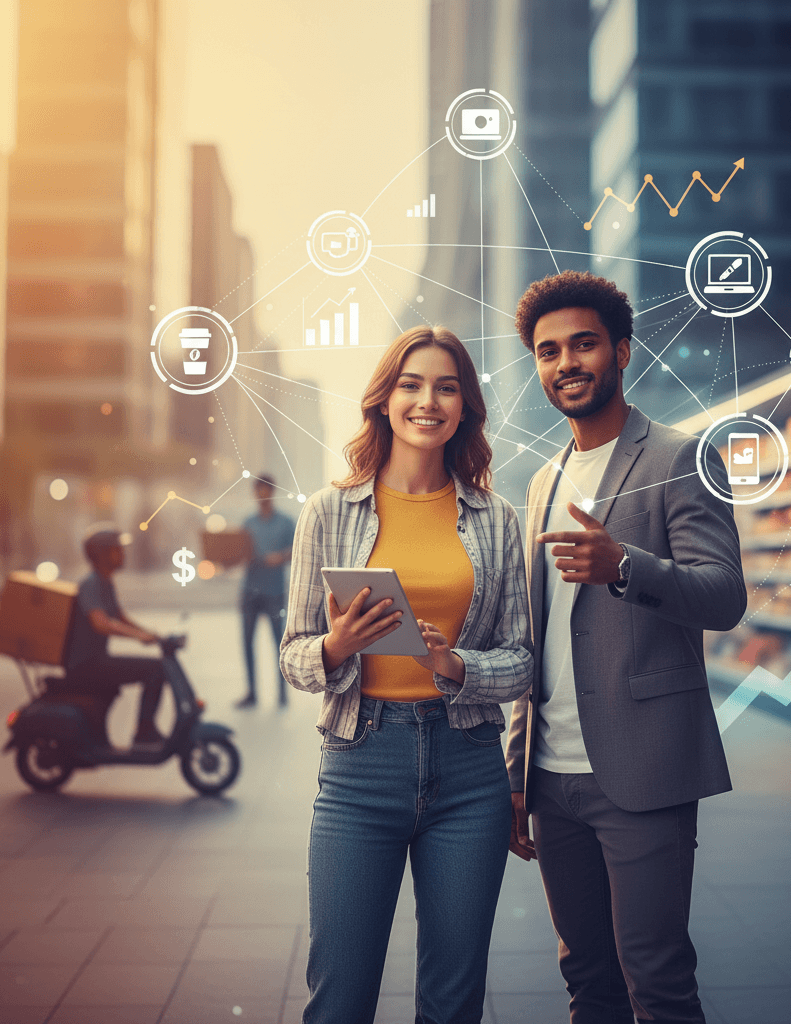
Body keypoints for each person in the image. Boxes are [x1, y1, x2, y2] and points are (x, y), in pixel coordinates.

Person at [505, 270, 746, 1024]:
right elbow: (534, 639)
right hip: (552, 778)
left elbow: (725, 595)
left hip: (643, 771)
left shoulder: (677, 457)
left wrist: (626, 568)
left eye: (583, 344)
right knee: (587, 982)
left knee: (659, 981)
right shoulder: (541, 481)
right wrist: (516, 772)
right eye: (549, 351)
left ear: (622, 352)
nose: (566, 362)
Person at [280, 325, 532, 1024]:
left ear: (466, 407)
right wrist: (335, 647)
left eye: (447, 387)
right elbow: (293, 653)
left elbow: (521, 658)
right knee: (340, 998)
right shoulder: (328, 512)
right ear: (384, 400)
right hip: (361, 765)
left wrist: (455, 664)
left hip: (469, 768)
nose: (429, 401)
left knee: (452, 1004)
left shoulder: (496, 518)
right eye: (412, 384)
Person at [63, 529, 166, 750]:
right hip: (85, 665)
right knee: (155, 670)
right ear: (101, 554)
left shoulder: (105, 582)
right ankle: (144, 732)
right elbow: (101, 623)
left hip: (96, 661)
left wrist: (151, 634)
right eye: (116, 550)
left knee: (154, 668)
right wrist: (139, 637)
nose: (122, 555)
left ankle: (106, 737)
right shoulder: (91, 584)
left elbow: (119, 617)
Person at [237, 473, 295, 708]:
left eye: (266, 490)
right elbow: (238, 551)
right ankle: (252, 693)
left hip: (274, 591)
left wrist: (280, 557)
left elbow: (297, 550)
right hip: (250, 590)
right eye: (258, 490)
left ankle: (282, 694)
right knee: (247, 643)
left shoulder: (286, 522)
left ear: (272, 492)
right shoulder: (248, 523)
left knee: (278, 643)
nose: (262, 495)